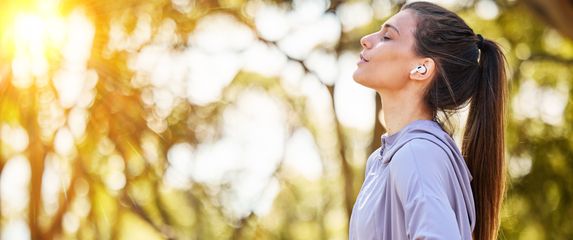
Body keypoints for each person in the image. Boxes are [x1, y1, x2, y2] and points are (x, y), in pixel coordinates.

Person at [349, 1, 507, 240]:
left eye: (388, 37)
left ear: (422, 68)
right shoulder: (382, 160)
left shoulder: (417, 153)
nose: (366, 39)